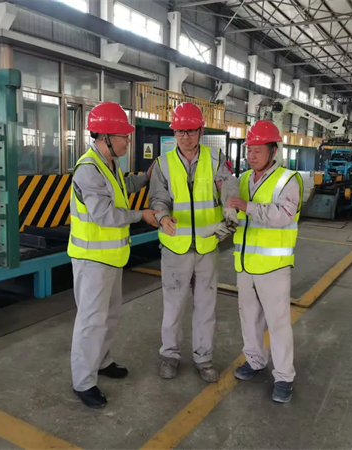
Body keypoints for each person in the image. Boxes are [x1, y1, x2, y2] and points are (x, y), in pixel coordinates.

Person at [69, 102, 159, 409]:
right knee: (91, 321)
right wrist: (142, 215)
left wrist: (145, 178)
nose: (128, 141)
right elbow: (104, 214)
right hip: (92, 259)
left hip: (111, 257)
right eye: (124, 136)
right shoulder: (88, 169)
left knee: (109, 316)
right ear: (105, 136)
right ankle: (83, 381)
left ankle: (102, 361)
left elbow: (122, 188)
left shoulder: (108, 164)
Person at [149, 102, 238, 382]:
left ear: (201, 131)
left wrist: (230, 208)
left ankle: (204, 358)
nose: (185, 137)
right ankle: (170, 355)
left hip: (207, 246)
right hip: (175, 247)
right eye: (179, 131)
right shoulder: (163, 163)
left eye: (190, 131)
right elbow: (158, 197)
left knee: (206, 306)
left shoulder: (215, 159)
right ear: (174, 133)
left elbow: (229, 185)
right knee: (173, 306)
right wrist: (162, 216)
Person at [226, 120, 303, 403]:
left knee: (278, 322)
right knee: (249, 317)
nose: (252, 155)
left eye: (258, 150)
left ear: (273, 151)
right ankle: (255, 360)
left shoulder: (288, 180)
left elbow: (283, 215)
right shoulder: (244, 179)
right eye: (249, 149)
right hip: (245, 264)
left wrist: (246, 206)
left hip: (273, 266)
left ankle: (283, 376)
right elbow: (237, 216)